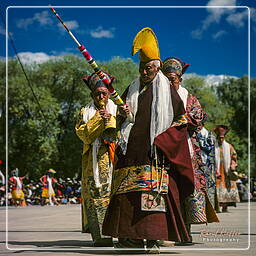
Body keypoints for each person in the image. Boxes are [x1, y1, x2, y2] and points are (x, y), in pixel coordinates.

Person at [102, 28, 194, 253]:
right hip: (130, 153)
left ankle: (153, 238)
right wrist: (122, 112)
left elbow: (181, 120)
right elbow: (120, 117)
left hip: (155, 153)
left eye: (149, 67)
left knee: (151, 197)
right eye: (142, 67)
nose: (144, 71)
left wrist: (165, 142)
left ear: (158, 67)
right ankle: (130, 237)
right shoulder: (132, 88)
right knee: (128, 197)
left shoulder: (166, 90)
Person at [162, 57, 219, 242]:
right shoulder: (158, 97)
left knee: (186, 186)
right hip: (165, 149)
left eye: (174, 79)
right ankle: (168, 231)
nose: (171, 82)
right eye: (167, 79)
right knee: (169, 189)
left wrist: (184, 120)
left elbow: (199, 116)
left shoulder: (189, 97)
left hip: (186, 148)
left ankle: (184, 232)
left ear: (180, 78)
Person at [75, 72, 117, 247]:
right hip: (92, 161)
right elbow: (83, 134)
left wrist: (112, 119)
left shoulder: (117, 108)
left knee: (115, 196)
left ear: (109, 93)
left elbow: (125, 130)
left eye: (104, 93)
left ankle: (121, 234)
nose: (101, 96)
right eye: (97, 93)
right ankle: (100, 237)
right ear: (92, 95)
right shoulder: (85, 111)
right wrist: (99, 119)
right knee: (95, 196)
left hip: (114, 159)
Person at [214, 125, 240, 212]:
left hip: (227, 170)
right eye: (220, 138)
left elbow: (234, 156)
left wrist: (233, 165)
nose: (221, 139)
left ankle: (225, 206)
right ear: (217, 137)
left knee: (227, 186)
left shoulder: (229, 146)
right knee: (217, 188)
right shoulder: (213, 146)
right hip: (217, 169)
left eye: (222, 137)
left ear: (224, 137)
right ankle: (217, 206)